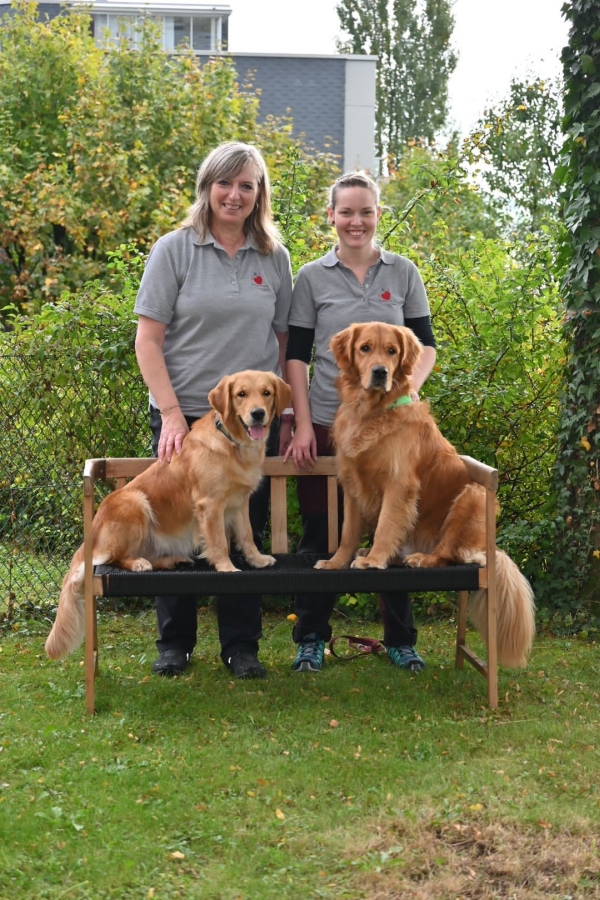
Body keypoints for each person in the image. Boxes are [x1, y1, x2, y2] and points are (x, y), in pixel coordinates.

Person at [133, 141, 294, 679]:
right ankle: (174, 643)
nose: (234, 194)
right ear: (207, 188)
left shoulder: (274, 257)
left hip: (253, 420)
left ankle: (240, 646)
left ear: (259, 194)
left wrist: (284, 412)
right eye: (225, 183)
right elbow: (148, 341)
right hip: (186, 418)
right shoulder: (174, 250)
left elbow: (284, 342)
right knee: (179, 520)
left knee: (242, 519)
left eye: (247, 185)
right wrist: (170, 413)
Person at [284, 171, 437, 673]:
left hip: (392, 423)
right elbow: (297, 356)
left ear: (378, 215)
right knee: (320, 530)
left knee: (395, 523)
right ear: (331, 215)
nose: (356, 221)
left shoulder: (404, 272)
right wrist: (301, 423)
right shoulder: (311, 277)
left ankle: (400, 640)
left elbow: (425, 346)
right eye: (346, 212)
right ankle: (310, 637)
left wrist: (407, 392)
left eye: (365, 212)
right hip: (328, 422)